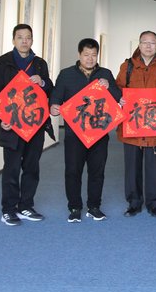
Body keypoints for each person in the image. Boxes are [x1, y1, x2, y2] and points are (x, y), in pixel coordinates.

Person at [50, 38, 121, 223]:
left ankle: (94, 206)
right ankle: (74, 207)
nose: (90, 59)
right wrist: (54, 106)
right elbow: (56, 96)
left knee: (97, 171)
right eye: (86, 55)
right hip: (74, 133)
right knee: (73, 170)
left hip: (99, 132)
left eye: (94, 55)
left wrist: (109, 86)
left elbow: (118, 98)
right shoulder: (66, 74)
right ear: (79, 55)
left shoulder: (105, 74)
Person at [0, 24, 55, 226]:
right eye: (20, 37)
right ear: (13, 40)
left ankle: (26, 205)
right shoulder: (3, 63)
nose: (24, 41)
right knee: (11, 168)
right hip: (12, 124)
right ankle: (8, 209)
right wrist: (2, 119)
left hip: (35, 124)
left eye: (28, 37)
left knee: (31, 167)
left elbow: (50, 89)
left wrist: (43, 82)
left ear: (32, 40)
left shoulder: (39, 64)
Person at [116, 30, 156, 218]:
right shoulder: (127, 66)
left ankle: (153, 203)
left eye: (152, 43)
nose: (148, 46)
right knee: (132, 166)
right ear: (139, 44)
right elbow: (118, 88)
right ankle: (134, 202)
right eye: (145, 42)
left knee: (154, 166)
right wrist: (120, 98)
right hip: (132, 124)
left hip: (154, 126)